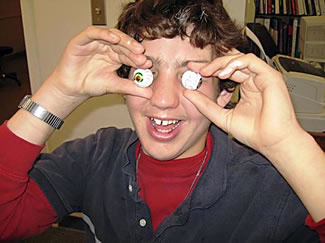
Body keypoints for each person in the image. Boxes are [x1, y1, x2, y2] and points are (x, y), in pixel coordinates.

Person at [0, 0, 324, 242]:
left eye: (191, 78)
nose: (163, 99)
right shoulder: (93, 158)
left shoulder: (273, 188)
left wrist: (286, 145)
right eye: (146, 74)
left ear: (223, 92)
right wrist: (58, 92)